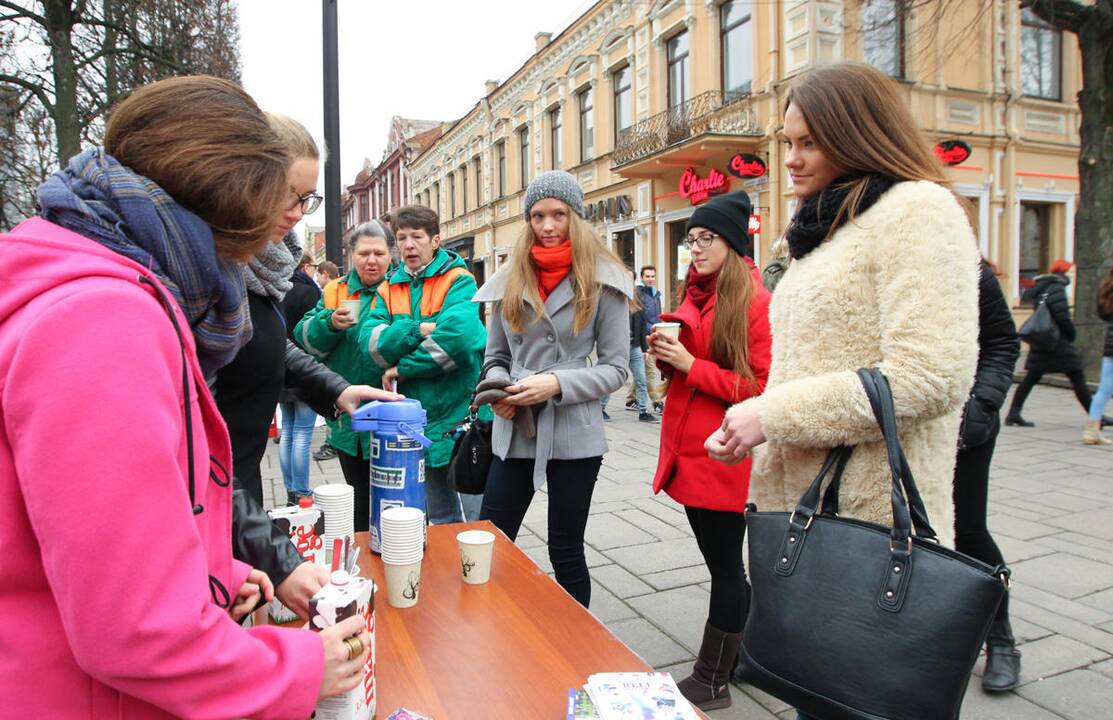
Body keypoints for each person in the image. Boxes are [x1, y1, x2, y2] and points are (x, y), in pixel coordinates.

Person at [1, 75, 369, 718]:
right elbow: (135, 629)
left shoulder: (89, 277)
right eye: (277, 208)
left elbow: (88, 532)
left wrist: (211, 572)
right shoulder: (105, 321)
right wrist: (303, 668)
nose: (279, 234)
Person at [702, 64, 980, 720]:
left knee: (860, 696)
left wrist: (771, 415)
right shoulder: (820, 225)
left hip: (868, 515)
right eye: (785, 142)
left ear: (859, 135)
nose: (789, 160)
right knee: (816, 693)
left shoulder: (917, 209)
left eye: (808, 143)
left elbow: (930, 374)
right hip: (801, 506)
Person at [474, 170, 632, 607]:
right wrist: (501, 391)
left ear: (576, 218)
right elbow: (495, 358)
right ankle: (488, 632)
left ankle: (575, 648)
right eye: (538, 215)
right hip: (516, 428)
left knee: (566, 548)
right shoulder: (509, 279)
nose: (547, 226)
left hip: (575, 433)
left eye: (558, 214)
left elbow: (617, 368)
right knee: (490, 538)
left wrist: (557, 383)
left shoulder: (605, 281)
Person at [649, 190, 772, 711]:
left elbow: (763, 389)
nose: (695, 248)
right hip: (691, 451)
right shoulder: (695, 294)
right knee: (723, 564)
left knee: (725, 567)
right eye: (691, 239)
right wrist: (665, 358)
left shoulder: (755, 302)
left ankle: (712, 679)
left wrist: (687, 364)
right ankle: (742, 658)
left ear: (733, 243)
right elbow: (690, 371)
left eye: (707, 239)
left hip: (725, 454)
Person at [359, 205, 488, 523]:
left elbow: (458, 341)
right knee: (441, 517)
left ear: (436, 240)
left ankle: (483, 572)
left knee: (481, 520)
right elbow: (371, 345)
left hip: (463, 418)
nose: (408, 245)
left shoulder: (460, 281)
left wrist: (404, 367)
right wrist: (417, 329)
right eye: (401, 238)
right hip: (419, 424)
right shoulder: (389, 288)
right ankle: (451, 573)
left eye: (417, 236)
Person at [296, 221, 394, 530]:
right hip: (347, 419)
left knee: (395, 501)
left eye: (379, 253)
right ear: (352, 255)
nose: (372, 260)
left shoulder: (401, 289)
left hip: (391, 415)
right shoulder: (334, 290)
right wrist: (329, 323)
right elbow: (304, 339)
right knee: (359, 502)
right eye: (364, 253)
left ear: (390, 256)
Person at [954, 259, 1022, 691]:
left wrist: (979, 407)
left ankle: (1001, 639)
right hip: (897, 426)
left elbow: (1002, 344)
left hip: (965, 428)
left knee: (968, 531)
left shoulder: (968, 267)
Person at [1006, 259, 1103, 429]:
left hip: (1043, 341)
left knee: (1031, 378)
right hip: (1057, 343)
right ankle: (1095, 415)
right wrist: (1071, 334)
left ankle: (1013, 413)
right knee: (1077, 376)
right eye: (1070, 271)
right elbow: (1062, 316)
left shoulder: (1043, 287)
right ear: (1063, 272)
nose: (1072, 274)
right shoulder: (1057, 288)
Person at [279, 251, 324, 503]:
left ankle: (289, 489)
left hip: (281, 367)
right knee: (303, 433)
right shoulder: (308, 292)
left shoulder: (278, 288)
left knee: (288, 430)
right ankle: (303, 491)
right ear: (304, 266)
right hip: (305, 368)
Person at [602, 269, 656, 423]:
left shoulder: (637, 299)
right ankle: (600, 408)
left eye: (630, 278)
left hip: (635, 347)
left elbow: (642, 323)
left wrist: (645, 349)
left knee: (641, 379)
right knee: (613, 378)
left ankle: (643, 411)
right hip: (617, 347)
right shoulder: (611, 297)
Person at [628, 265, 664, 413]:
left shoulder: (656, 294)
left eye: (653, 276)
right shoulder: (639, 294)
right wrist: (643, 342)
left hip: (653, 335)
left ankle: (631, 399)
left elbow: (656, 316)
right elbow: (640, 320)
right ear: (642, 278)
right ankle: (657, 402)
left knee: (641, 372)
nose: (650, 279)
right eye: (647, 276)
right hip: (643, 339)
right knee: (648, 371)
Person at [1085, 267, 1113, 444]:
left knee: (1103, 389)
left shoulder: (1105, 290)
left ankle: (1091, 432)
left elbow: (1103, 316)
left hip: (1110, 346)